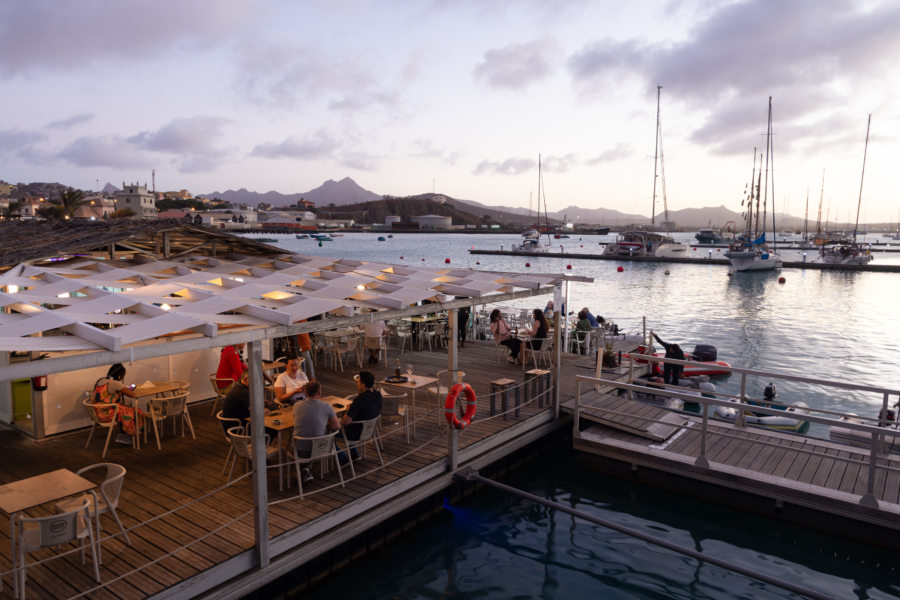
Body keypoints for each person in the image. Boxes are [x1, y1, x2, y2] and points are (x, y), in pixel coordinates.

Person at [293, 380, 340, 483]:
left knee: (293, 436)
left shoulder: (297, 406)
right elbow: (337, 426)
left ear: (305, 393)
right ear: (319, 392)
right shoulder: (326, 406)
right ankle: (306, 469)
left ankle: (304, 468)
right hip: (321, 448)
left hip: (299, 450)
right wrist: (324, 423)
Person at [339, 370, 383, 462]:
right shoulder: (378, 396)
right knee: (356, 420)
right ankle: (354, 453)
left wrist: (348, 410)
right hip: (370, 431)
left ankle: (342, 458)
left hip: (356, 434)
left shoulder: (359, 400)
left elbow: (345, 422)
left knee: (329, 431)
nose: (357, 383)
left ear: (363, 384)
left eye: (358, 381)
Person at [92, 363, 140, 442]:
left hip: (96, 412)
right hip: (106, 414)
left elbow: (121, 389)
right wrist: (133, 386)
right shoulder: (115, 383)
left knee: (123, 408)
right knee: (135, 412)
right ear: (119, 376)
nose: (122, 378)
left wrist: (128, 388)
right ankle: (125, 436)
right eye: (123, 376)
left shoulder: (101, 380)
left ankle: (121, 434)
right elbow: (132, 395)